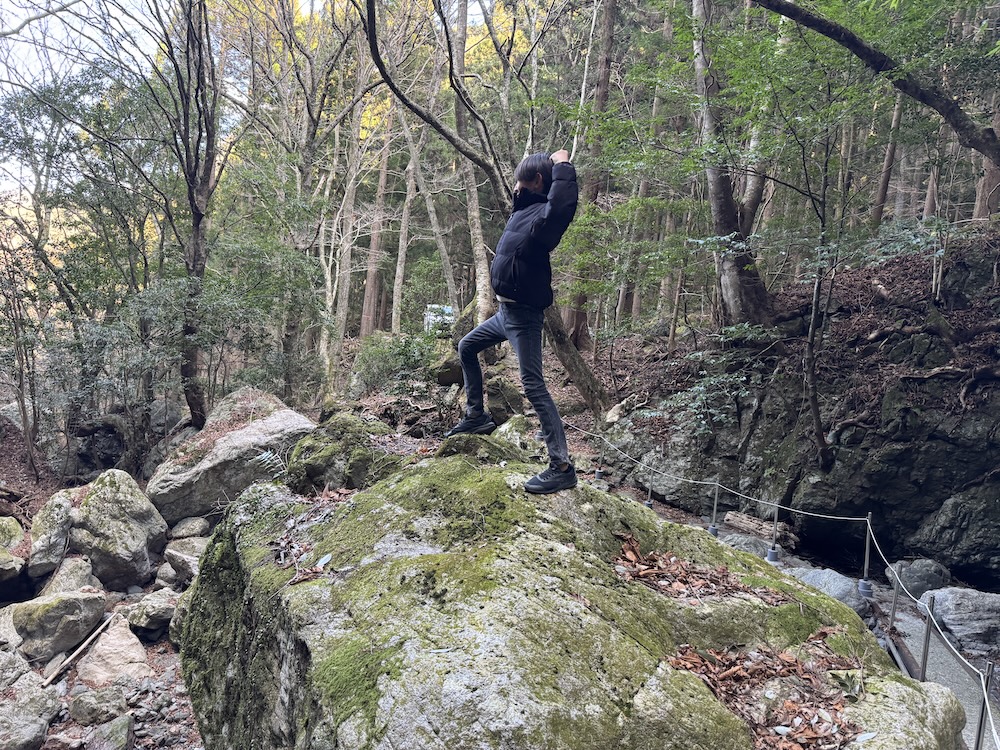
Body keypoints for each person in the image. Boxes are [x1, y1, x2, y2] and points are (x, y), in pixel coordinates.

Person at [445, 149, 578, 494]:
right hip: (505, 314)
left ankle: (561, 466)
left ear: (537, 182)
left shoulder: (544, 219)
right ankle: (476, 416)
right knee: (467, 346)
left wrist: (562, 166)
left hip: (523, 318)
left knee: (533, 386)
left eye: (522, 179)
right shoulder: (525, 210)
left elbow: (561, 209)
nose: (515, 184)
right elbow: (525, 202)